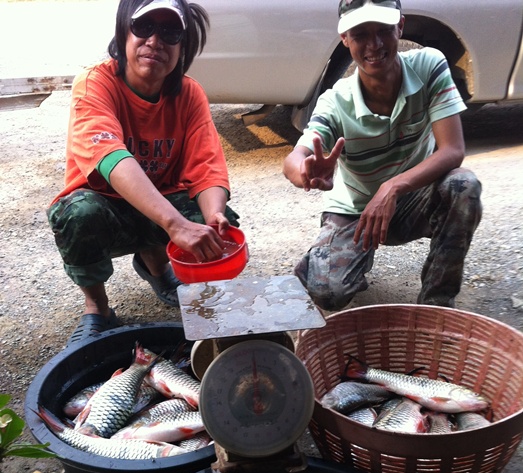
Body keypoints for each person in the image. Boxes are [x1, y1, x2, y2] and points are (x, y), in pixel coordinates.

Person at [48, 0, 239, 344]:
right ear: (123, 33)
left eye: (170, 32)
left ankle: (159, 271)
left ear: (183, 47)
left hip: (157, 206)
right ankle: (98, 308)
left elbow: (207, 166)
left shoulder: (190, 92)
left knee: (214, 220)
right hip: (106, 210)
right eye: (143, 27)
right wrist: (176, 226)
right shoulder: (94, 83)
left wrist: (214, 217)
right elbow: (111, 157)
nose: (155, 40)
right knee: (79, 213)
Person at [283, 0, 482, 312]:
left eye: (383, 31)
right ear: (344, 39)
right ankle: (328, 257)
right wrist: (305, 172)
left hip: (415, 199)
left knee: (463, 186)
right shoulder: (335, 102)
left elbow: (453, 150)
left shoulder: (430, 66)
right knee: (328, 293)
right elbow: (295, 158)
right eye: (360, 34)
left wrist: (392, 187)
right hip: (358, 212)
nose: (373, 45)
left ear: (400, 27)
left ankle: (437, 304)